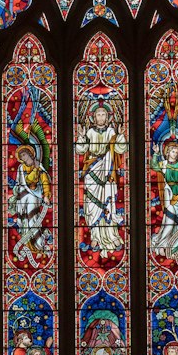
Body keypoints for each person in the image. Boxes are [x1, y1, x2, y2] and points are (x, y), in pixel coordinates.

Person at [77, 102, 125, 257]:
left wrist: (120, 135)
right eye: (98, 114)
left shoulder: (111, 131)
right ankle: (96, 237)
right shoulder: (90, 132)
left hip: (108, 171)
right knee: (92, 205)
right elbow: (80, 150)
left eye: (104, 114)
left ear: (108, 117)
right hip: (92, 171)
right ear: (93, 117)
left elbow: (120, 149)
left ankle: (112, 236)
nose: (101, 117)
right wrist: (82, 137)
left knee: (108, 203)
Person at [150, 137, 178, 263]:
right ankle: (161, 244)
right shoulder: (163, 164)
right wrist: (156, 153)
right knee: (169, 223)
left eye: (177, 151)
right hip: (170, 198)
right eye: (172, 151)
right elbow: (153, 166)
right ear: (167, 152)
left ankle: (176, 247)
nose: (175, 153)